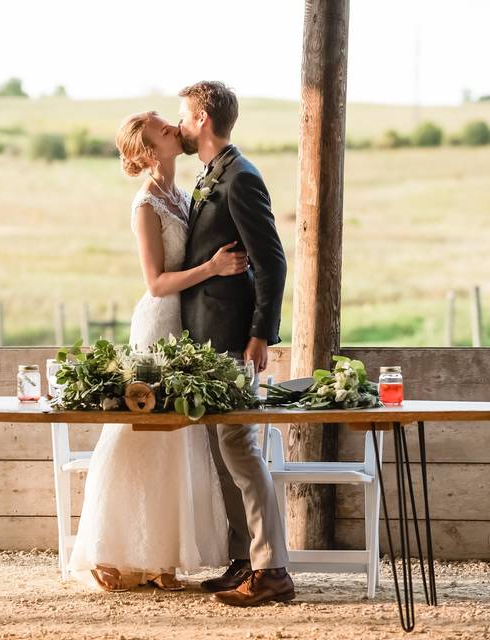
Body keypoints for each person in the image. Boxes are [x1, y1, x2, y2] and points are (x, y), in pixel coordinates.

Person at [66, 110, 248, 592]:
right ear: (148, 152)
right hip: (156, 328)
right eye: (163, 130)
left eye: (172, 122)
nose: (174, 129)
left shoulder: (182, 195)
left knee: (175, 439)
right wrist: (212, 268)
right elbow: (157, 281)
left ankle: (161, 556)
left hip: (185, 328)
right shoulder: (147, 204)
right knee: (140, 434)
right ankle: (112, 548)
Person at [177, 80, 294, 606]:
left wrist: (259, 335)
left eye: (184, 116)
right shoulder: (212, 174)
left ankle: (272, 572)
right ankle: (246, 559)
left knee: (241, 449)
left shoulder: (241, 178)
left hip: (231, 338)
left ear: (202, 118)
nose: (180, 125)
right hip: (205, 338)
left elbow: (272, 261)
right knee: (226, 449)